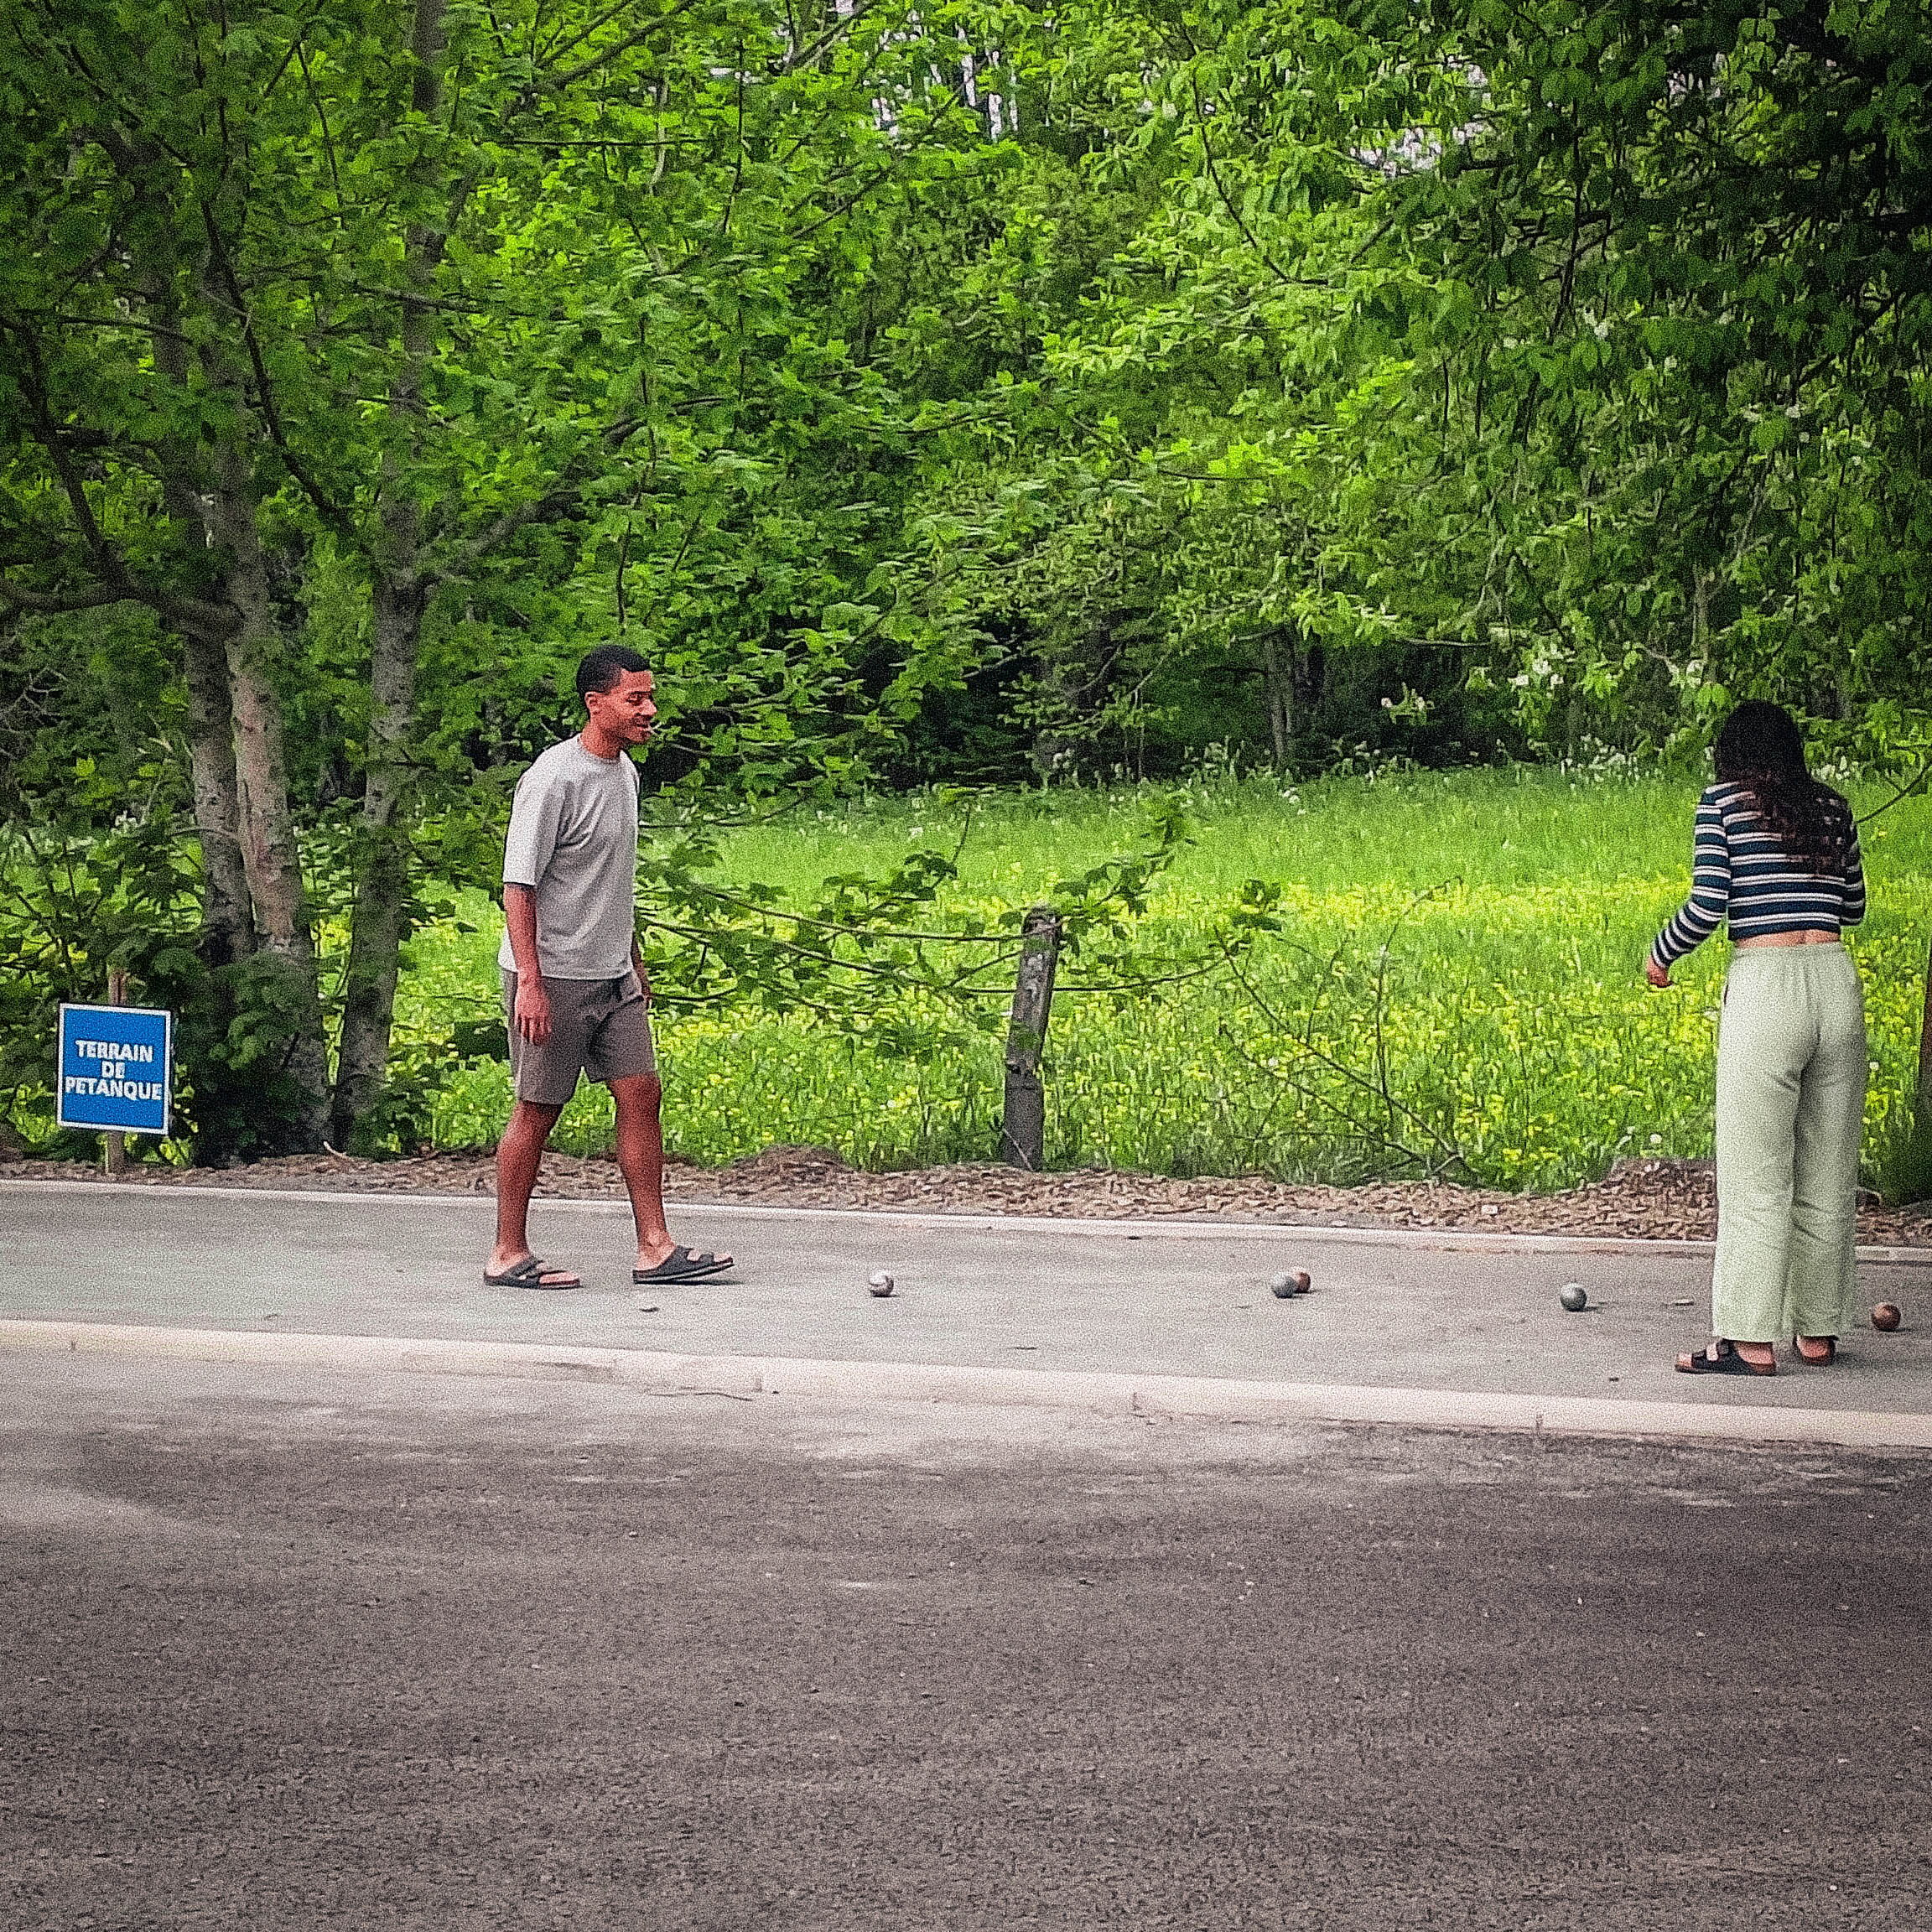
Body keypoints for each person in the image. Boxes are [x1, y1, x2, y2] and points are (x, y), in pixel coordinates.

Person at [483, 645, 732, 1291]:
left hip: (612, 970)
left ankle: (656, 1246)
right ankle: (508, 1252)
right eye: (636, 699)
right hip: (554, 973)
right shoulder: (552, 779)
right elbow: (519, 887)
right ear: (597, 704)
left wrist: (633, 957)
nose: (650, 710)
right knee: (538, 1109)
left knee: (641, 1093)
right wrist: (531, 985)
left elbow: (611, 879)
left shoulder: (624, 772)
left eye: (651, 697)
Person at [1648, 700, 1867, 1376]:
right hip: (1835, 984)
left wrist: (1662, 953)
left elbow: (1709, 902)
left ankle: (1747, 1341)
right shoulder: (1832, 808)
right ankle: (1818, 1333)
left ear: (1730, 754)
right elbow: (1853, 907)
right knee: (1828, 1172)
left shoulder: (1722, 804)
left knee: (1754, 1177)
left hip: (1767, 989)